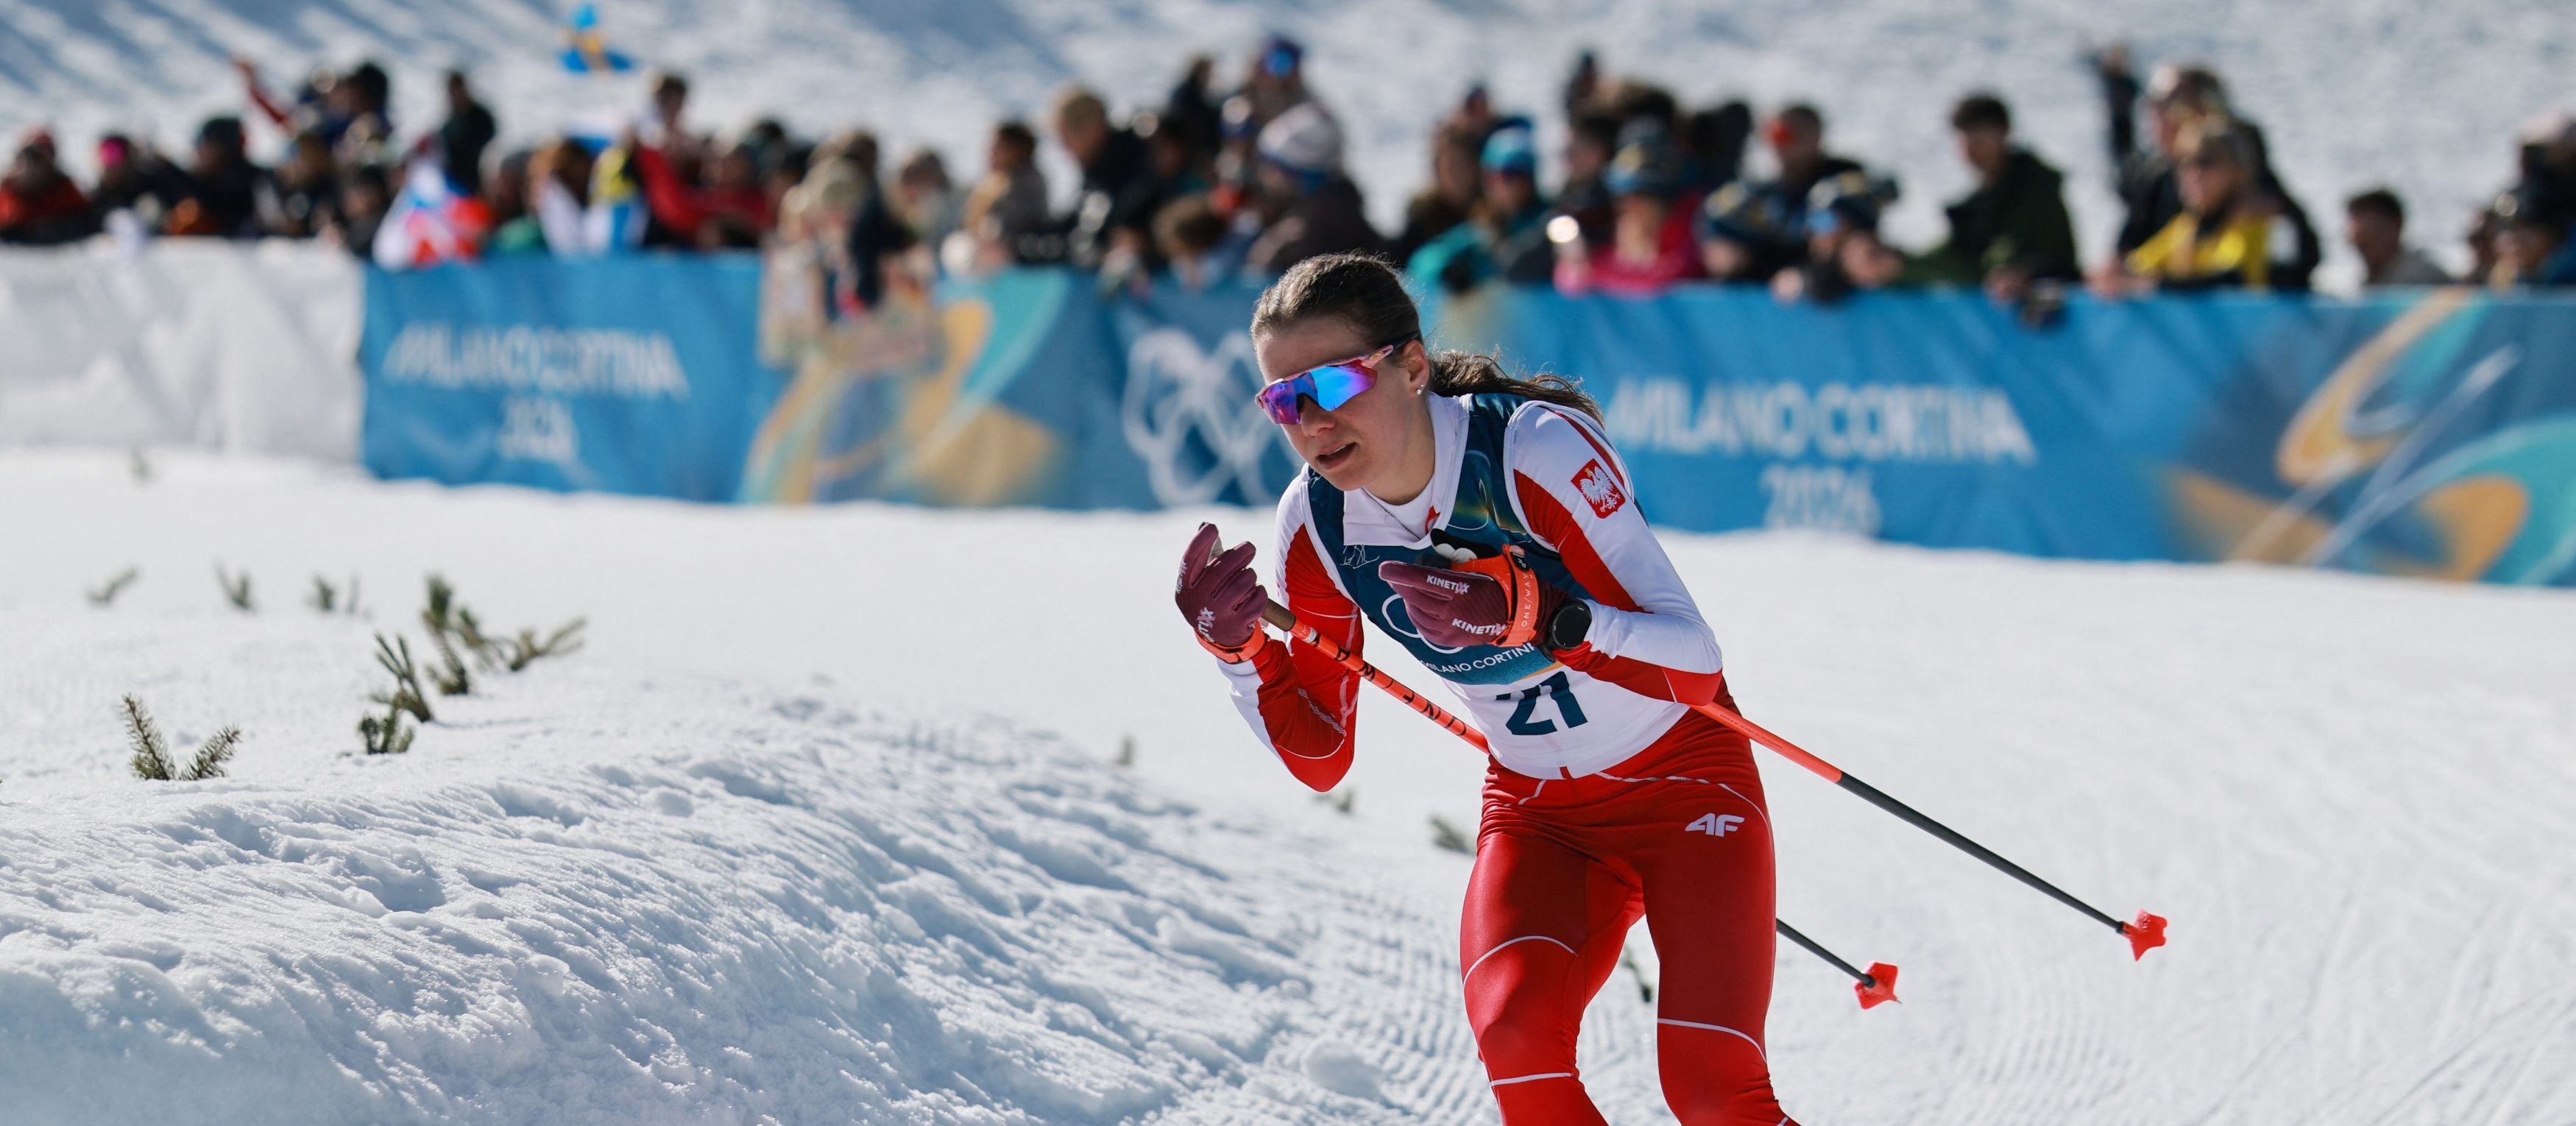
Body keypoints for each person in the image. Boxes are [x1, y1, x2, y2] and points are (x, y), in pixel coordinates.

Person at [1174, 252, 1800, 1126]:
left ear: (1412, 366)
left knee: (1709, 1088)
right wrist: (1237, 653)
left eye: (1331, 382)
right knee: (1514, 1037)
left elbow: (1693, 661)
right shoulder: (1315, 524)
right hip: (1538, 813)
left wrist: (1539, 616)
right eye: (1282, 399)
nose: (1310, 420)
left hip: (1683, 784)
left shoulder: (1529, 448)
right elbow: (1321, 757)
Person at [2093, 120, 2297, 294]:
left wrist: (2152, 285)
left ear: (2237, 169)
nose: (2193, 174)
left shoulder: (2256, 219)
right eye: (2185, 163)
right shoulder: (2186, 227)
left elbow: (2231, 281)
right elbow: (2139, 265)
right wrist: (2116, 273)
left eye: (2205, 162)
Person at [1909, 93, 2080, 300]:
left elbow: (2004, 255)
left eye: (1979, 137)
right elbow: (1953, 253)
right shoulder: (1976, 204)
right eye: (1964, 139)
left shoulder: (2036, 189)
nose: (1970, 149)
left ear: (2003, 133)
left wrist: (2022, 272)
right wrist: (1895, 264)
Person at [1243, 103, 1383, 273]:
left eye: (1268, 162)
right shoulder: (1344, 209)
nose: (1262, 172)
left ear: (1291, 173)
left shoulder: (1301, 241)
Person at [0, 130, 99, 245]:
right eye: (26, 158)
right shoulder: (8, 193)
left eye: (39, 159)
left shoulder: (64, 190)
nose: (32, 167)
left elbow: (88, 222)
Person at [2343, 188, 2452, 286]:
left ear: (2395, 226)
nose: (2360, 247)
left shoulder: (2424, 277)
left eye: (2366, 237)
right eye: (2355, 239)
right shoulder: (2369, 283)